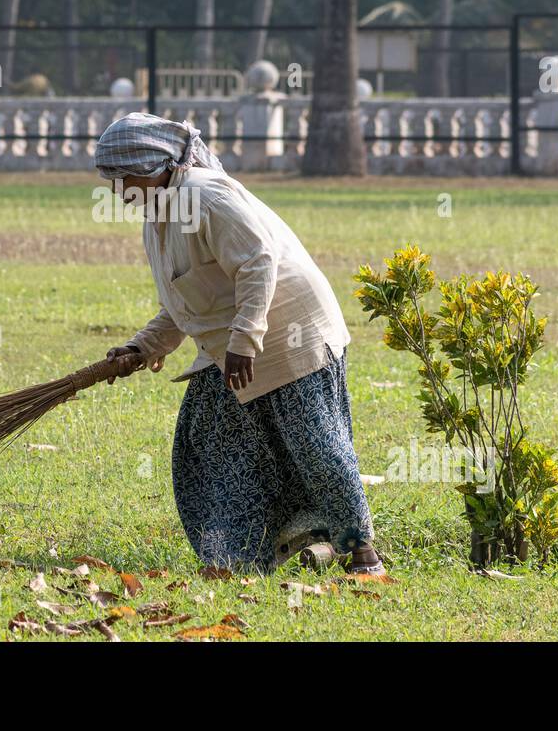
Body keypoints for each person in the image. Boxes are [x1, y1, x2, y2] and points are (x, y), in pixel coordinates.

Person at [96, 112, 383, 573]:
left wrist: (245, 340)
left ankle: (362, 553)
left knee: (315, 447)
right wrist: (142, 347)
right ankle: (244, 555)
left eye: (122, 177)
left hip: (290, 332)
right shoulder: (160, 216)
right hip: (233, 342)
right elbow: (187, 298)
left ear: (153, 166)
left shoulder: (204, 194)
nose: (117, 190)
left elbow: (257, 262)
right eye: (111, 180)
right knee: (211, 439)